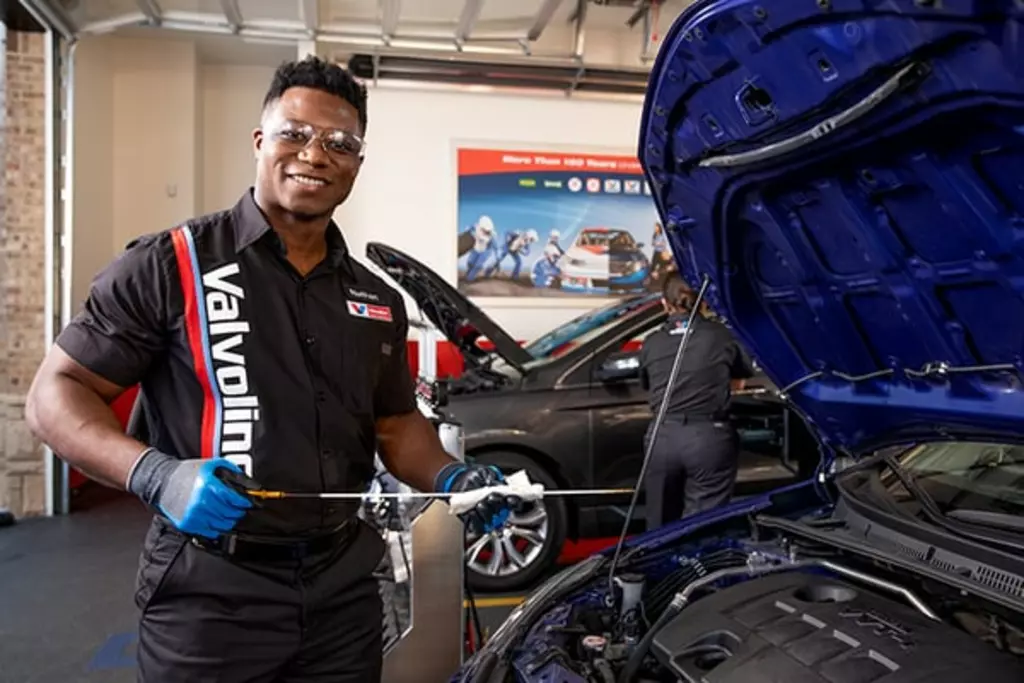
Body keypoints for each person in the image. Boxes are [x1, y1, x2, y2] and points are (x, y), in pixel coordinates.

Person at [24, 56, 520, 683]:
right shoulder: (170, 265)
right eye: (295, 133)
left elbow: (394, 422)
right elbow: (54, 394)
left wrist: (451, 476)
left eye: (339, 143)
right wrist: (157, 475)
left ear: (356, 164)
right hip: (210, 595)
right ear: (260, 141)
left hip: (342, 595)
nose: (315, 154)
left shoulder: (376, 300)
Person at [638, 272, 754, 531]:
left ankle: (661, 558)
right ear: (703, 302)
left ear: (664, 303)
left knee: (658, 528)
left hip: (662, 437)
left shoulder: (651, 342)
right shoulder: (722, 336)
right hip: (708, 438)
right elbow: (739, 382)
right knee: (703, 528)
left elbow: (649, 385)